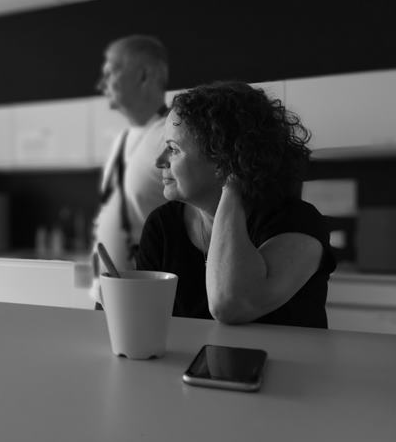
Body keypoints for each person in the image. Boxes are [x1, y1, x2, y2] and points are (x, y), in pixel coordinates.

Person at [135, 81, 336, 328]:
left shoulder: (298, 223)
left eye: (173, 149)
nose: (159, 161)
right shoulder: (162, 225)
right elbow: (142, 319)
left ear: (222, 160)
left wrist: (233, 184)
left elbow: (230, 304)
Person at [90, 35, 170, 307]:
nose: (101, 84)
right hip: (106, 297)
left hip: (145, 300)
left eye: (110, 72)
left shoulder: (171, 136)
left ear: (144, 75)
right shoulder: (122, 139)